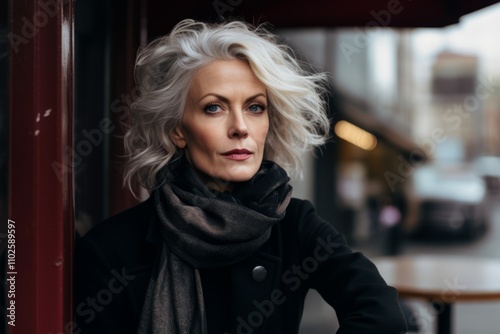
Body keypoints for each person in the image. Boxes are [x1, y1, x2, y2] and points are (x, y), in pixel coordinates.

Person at [73, 18, 408, 334]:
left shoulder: (293, 225)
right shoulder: (111, 249)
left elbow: (381, 314)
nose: (240, 128)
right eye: (214, 107)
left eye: (255, 107)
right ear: (177, 130)